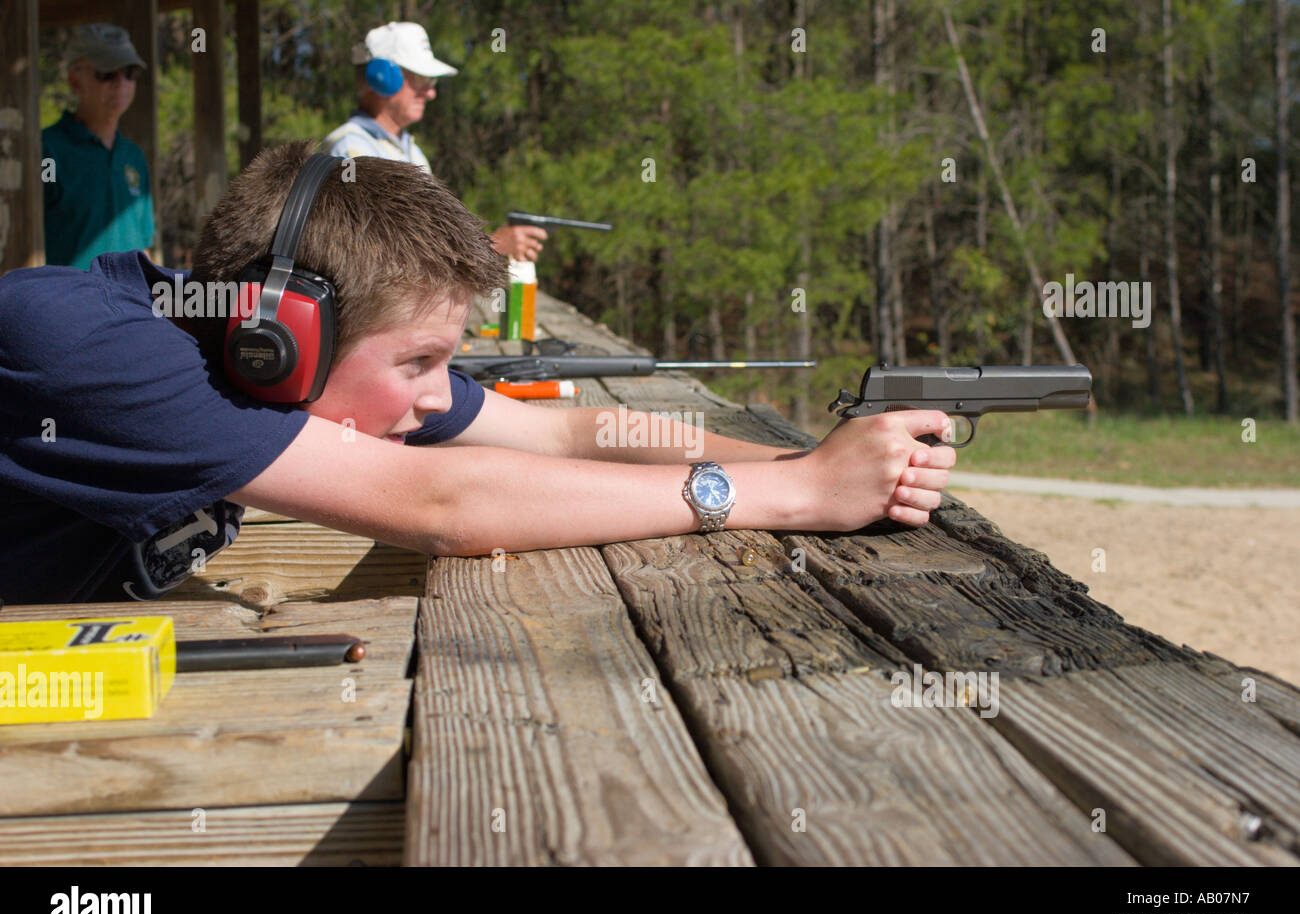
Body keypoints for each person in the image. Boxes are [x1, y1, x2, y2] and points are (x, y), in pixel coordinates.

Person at [0, 142, 955, 605]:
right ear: (279, 338)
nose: (435, 396)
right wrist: (793, 499)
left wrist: (805, 463)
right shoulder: (81, 347)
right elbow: (443, 504)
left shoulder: (253, 345)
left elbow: (569, 430)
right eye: (419, 362)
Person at [321, 21, 546, 262]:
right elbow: (378, 256)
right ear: (382, 77)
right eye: (419, 79)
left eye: (431, 82)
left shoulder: (412, 152)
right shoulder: (351, 149)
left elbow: (428, 244)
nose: (430, 93)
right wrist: (494, 246)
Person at [42, 23, 155, 270]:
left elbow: (145, 247)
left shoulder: (134, 158)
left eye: (130, 72)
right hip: (66, 295)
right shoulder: (45, 153)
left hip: (131, 296)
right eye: (107, 73)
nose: (121, 82)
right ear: (75, 80)